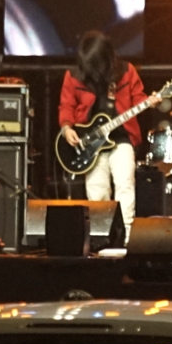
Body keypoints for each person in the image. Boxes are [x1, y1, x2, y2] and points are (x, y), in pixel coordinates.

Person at [56, 30, 145, 231]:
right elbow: (66, 105)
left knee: (125, 182)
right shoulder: (74, 76)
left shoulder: (126, 71)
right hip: (90, 141)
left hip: (121, 138)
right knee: (97, 190)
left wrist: (152, 101)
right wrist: (67, 127)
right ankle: (101, 235)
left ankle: (127, 234)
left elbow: (139, 98)